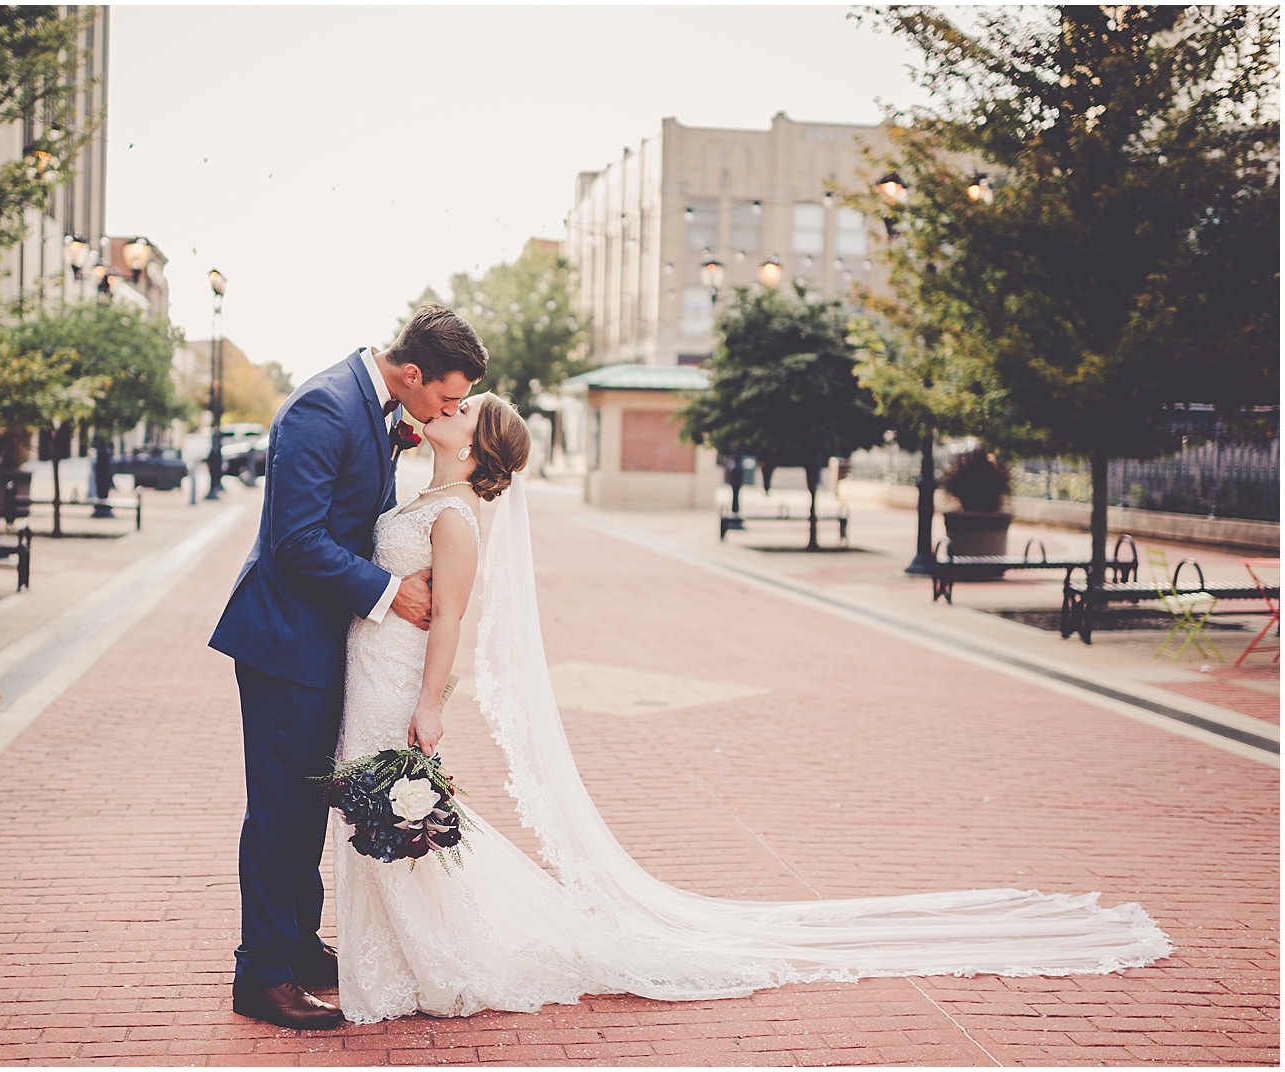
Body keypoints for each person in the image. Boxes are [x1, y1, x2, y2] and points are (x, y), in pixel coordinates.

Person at [330, 393, 1174, 1026]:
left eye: (466, 406)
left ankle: (424, 963)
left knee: (393, 814)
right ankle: (400, 957)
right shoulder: (419, 494)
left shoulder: (459, 520)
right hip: (372, 669)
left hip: (402, 681)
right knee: (382, 814)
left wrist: (432, 706)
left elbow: (451, 621)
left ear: (481, 447)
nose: (448, 403)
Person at [208, 303, 487, 1030]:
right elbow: (294, 541)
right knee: (279, 812)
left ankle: (297, 945)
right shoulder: (323, 408)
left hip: (321, 639)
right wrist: (392, 593)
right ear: (414, 373)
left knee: (303, 806)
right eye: (449, 399)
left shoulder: (378, 405)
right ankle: (261, 975)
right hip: (283, 642)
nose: (451, 411)